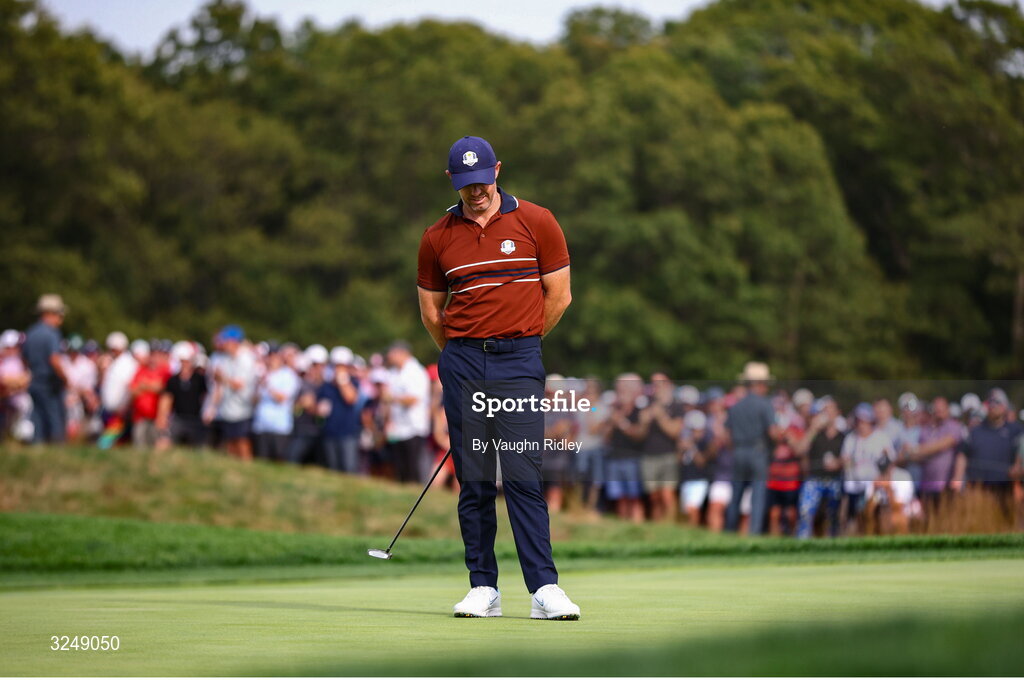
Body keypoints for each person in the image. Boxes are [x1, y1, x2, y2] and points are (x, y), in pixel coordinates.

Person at [417, 135, 580, 620]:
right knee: (475, 480)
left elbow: (559, 295)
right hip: (464, 363)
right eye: (467, 184)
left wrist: (521, 340)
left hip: (519, 361)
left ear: (498, 171)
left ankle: (544, 588)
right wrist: (463, 354)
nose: (477, 192)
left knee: (523, 475)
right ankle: (483, 587)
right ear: (453, 180)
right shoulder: (437, 236)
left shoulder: (537, 220)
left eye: (483, 181)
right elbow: (432, 312)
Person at [724, 362, 781, 535]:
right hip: (758, 452)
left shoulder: (736, 406)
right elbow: (773, 433)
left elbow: (727, 436)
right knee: (758, 495)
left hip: (738, 451)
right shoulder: (765, 404)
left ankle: (729, 531)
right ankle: (754, 532)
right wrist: (779, 441)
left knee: (736, 495)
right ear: (760, 384)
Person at [952, 388, 1023, 522]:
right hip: (978, 489)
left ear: (1005, 406)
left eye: (997, 402)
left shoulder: (1016, 430)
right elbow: (962, 455)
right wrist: (957, 478)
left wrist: (1018, 467)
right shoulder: (975, 431)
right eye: (990, 403)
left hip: (1006, 489)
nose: (993, 406)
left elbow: (1021, 453)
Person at [841, 403, 896, 534]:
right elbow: (845, 461)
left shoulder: (881, 437)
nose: (861, 425)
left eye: (864, 421)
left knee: (877, 516)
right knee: (855, 517)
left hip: (876, 486)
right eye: (858, 421)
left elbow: (890, 462)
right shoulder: (850, 439)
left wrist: (883, 480)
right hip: (855, 486)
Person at [795, 396, 845, 538]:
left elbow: (848, 459)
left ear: (837, 413)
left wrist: (838, 463)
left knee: (834, 514)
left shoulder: (844, 436)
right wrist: (813, 429)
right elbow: (800, 450)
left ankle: (833, 541)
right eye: (824, 410)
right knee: (805, 511)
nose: (827, 413)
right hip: (815, 478)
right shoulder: (815, 433)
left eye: (830, 410)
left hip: (834, 479)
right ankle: (802, 541)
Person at [21, 294, 69, 443]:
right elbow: (54, 360)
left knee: (38, 418)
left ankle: (38, 447)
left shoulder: (30, 332)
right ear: (49, 313)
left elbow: (24, 359)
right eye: (59, 314)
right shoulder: (52, 333)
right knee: (55, 418)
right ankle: (57, 449)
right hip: (50, 384)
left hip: (34, 381)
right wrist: (65, 379)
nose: (61, 318)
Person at [638, 373, 685, 521]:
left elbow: (675, 431)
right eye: (653, 383)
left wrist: (660, 416)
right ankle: (658, 526)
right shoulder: (646, 404)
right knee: (654, 496)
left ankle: (670, 524)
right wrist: (645, 421)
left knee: (667, 494)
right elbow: (640, 433)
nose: (656, 387)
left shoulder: (676, 406)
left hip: (668, 455)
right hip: (648, 455)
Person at [382, 340, 431, 483]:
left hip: (413, 427)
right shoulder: (393, 373)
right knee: (400, 468)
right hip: (397, 427)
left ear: (402, 353)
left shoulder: (416, 372)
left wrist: (392, 398)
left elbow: (414, 399)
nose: (389, 355)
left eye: (392, 352)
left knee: (412, 468)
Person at [317, 346, 363, 473]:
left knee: (348, 468)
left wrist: (342, 380)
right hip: (330, 431)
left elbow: (350, 398)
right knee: (333, 468)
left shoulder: (354, 382)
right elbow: (320, 408)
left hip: (347, 433)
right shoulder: (327, 385)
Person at [253, 344, 300, 462]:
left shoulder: (288, 375)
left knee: (279, 462)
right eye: (269, 356)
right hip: (261, 425)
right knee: (261, 461)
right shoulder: (263, 374)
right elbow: (254, 401)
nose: (272, 359)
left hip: (279, 427)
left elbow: (282, 398)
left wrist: (267, 385)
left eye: (274, 356)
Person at [157, 341, 208, 448]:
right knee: (165, 441)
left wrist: (207, 412)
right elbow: (167, 398)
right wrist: (162, 416)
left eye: (187, 361)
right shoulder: (173, 380)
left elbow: (205, 396)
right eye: (183, 362)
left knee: (198, 448)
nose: (185, 364)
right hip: (178, 418)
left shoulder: (199, 379)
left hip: (196, 418)